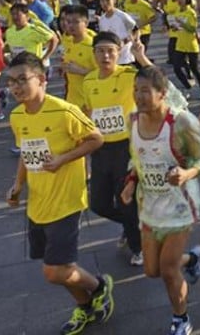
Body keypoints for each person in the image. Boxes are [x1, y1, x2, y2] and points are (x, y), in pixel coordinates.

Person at [5, 51, 112, 335]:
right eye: (10, 81)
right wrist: (18, 185)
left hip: (66, 200)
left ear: (41, 79)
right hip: (37, 203)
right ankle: (86, 307)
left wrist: (64, 159)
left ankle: (100, 286)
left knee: (54, 271)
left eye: (22, 80)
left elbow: (96, 139)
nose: (15, 87)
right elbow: (25, 153)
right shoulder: (16, 116)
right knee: (60, 268)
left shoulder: (64, 111)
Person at [121, 66, 200, 335]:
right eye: (136, 90)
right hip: (150, 206)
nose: (139, 96)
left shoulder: (181, 122)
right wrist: (131, 182)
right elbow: (138, 160)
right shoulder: (133, 121)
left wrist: (186, 173)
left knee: (168, 271)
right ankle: (191, 260)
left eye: (145, 91)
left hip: (180, 205)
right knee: (151, 270)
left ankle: (181, 318)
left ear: (162, 94)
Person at [80, 32, 147, 267]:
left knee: (126, 200)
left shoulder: (129, 75)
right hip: (100, 148)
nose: (105, 55)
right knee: (98, 204)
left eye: (111, 50)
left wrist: (141, 58)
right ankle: (133, 226)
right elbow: (88, 112)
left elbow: (160, 82)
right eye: (100, 50)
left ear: (119, 53)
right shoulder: (88, 81)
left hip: (126, 148)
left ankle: (139, 247)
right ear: (94, 54)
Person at [97, 0, 139, 65]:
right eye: (102, 0)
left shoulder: (122, 16)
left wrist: (124, 42)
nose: (104, 3)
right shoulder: (102, 19)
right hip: (111, 58)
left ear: (114, 0)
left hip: (125, 58)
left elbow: (136, 30)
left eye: (107, 0)